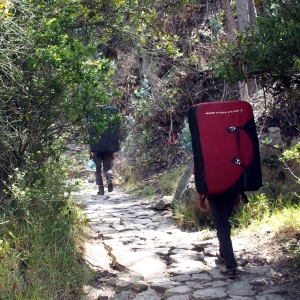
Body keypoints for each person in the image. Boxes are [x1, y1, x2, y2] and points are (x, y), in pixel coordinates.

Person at [195, 176, 240, 279]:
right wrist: (238, 194)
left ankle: (231, 266)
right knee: (224, 221)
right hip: (232, 189)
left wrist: (199, 198)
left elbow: (198, 177)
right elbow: (237, 171)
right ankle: (223, 253)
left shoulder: (203, 158)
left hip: (214, 192)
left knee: (222, 225)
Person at [88, 106, 120, 195]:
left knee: (97, 170)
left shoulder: (93, 122)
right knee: (107, 168)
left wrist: (90, 152)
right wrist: (113, 151)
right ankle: (109, 178)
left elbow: (90, 138)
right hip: (108, 149)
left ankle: (101, 189)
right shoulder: (109, 125)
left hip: (96, 150)